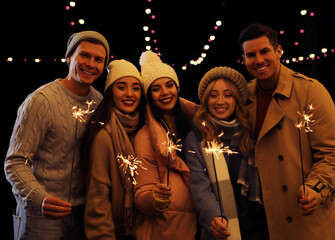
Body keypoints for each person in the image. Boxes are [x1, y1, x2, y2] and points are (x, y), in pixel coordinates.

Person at [238, 23, 335, 239]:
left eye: (264, 51)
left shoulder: (310, 91)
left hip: (305, 217)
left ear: (279, 51)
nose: (258, 60)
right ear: (244, 59)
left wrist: (316, 188)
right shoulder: (244, 96)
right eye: (251, 55)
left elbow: (333, 153)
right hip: (262, 222)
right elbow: (208, 112)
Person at [4, 30, 109, 239]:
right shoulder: (41, 100)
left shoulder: (99, 103)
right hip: (41, 217)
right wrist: (39, 198)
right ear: (69, 57)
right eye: (84, 55)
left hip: (82, 216)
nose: (91, 63)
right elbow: (15, 162)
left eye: (99, 59)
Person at [184, 66, 269, 240]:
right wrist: (213, 216)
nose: (220, 101)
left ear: (237, 99)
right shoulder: (197, 137)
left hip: (259, 225)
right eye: (213, 95)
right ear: (206, 99)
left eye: (228, 95)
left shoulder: (251, 129)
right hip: (222, 225)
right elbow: (199, 184)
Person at [133, 51, 198, 240]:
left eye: (169, 85)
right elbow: (142, 191)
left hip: (200, 224)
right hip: (165, 229)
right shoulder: (145, 136)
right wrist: (155, 198)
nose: (165, 93)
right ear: (149, 95)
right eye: (156, 88)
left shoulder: (194, 124)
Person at [82, 59, 145, 239]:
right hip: (113, 232)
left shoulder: (142, 127)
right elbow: (97, 202)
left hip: (140, 231)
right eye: (121, 87)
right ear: (110, 92)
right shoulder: (104, 135)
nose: (130, 94)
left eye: (136, 88)